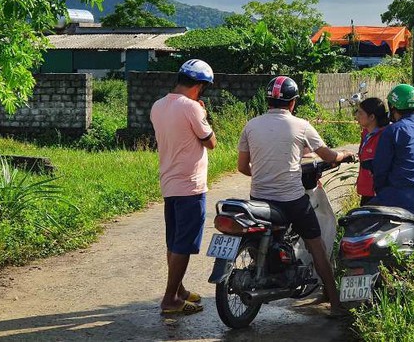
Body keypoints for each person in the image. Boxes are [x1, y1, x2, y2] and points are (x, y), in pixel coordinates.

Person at [237, 76, 355, 316]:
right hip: (291, 200)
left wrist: (264, 174)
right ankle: (334, 304)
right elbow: (328, 156)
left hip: (258, 199)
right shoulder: (301, 125)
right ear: (293, 103)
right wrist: (343, 155)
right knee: (317, 246)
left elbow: (242, 167)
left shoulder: (251, 125)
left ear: (268, 100)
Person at [150, 59, 217, 315]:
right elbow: (211, 143)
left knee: (174, 241)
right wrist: (204, 115)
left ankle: (178, 289)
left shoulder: (157, 106)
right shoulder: (192, 108)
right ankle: (170, 299)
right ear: (200, 86)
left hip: (169, 183)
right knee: (183, 245)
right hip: (191, 185)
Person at [370, 84, 414, 224]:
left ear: (393, 107)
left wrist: (381, 191)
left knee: (356, 223)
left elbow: (380, 169)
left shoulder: (393, 131)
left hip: (395, 202)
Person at [354, 97, 390, 206]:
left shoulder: (384, 137)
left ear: (372, 117)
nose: (357, 116)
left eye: (360, 113)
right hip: (366, 191)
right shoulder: (366, 133)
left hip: (377, 193)